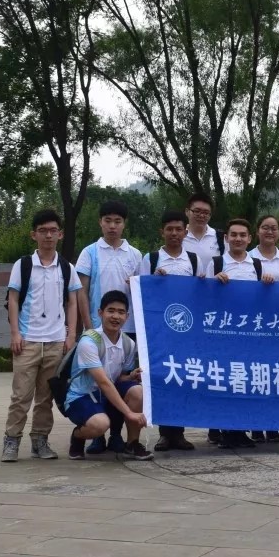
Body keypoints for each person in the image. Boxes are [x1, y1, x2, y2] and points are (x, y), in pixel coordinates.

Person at [2, 209, 82, 462]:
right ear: (33, 235)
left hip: (56, 341)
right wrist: (15, 333)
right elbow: (13, 300)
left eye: (53, 231)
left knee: (45, 397)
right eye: (43, 231)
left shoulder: (66, 268)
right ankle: (11, 440)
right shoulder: (23, 265)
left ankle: (40, 441)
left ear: (60, 234)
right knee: (21, 396)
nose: (48, 235)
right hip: (27, 340)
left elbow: (72, 302)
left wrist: (71, 335)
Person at [75, 200, 144, 455]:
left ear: (124, 224)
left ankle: (116, 435)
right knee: (99, 383)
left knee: (122, 382)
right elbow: (81, 291)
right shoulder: (89, 252)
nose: (112, 226)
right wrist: (89, 326)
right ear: (100, 222)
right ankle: (98, 436)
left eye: (117, 221)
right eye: (108, 221)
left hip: (128, 329)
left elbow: (142, 291)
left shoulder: (135, 254)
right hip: (97, 329)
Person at [206, 219, 276, 449]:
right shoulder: (216, 263)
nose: (238, 239)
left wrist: (267, 284)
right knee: (226, 381)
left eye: (242, 235)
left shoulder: (256, 265)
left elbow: (263, 301)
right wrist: (214, 283)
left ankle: (242, 429)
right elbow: (203, 297)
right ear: (226, 238)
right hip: (223, 334)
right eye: (233, 235)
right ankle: (226, 430)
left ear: (249, 239)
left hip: (249, 336)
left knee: (245, 380)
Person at [63, 291, 152, 461]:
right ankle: (78, 436)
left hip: (106, 395)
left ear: (127, 316)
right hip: (82, 397)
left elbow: (116, 379)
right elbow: (103, 382)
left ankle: (132, 444)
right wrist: (129, 413)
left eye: (121, 312)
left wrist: (131, 377)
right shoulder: (89, 341)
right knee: (100, 424)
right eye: (111, 311)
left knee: (137, 391)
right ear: (100, 313)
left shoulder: (128, 343)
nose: (115, 316)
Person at [142, 210, 197, 452]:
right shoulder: (151, 259)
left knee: (183, 379)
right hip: (160, 332)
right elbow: (142, 291)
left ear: (185, 231)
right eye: (169, 229)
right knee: (163, 379)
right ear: (161, 232)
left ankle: (179, 433)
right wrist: (154, 280)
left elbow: (200, 293)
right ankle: (164, 434)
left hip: (186, 332)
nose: (174, 233)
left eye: (178, 229)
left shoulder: (194, 260)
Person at [247, 214, 279, 444]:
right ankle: (256, 425)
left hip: (278, 327)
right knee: (255, 375)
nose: (269, 232)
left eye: (274, 228)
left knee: (275, 375)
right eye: (265, 227)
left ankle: (273, 424)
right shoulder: (247, 257)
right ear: (257, 231)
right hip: (253, 326)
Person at [182, 192, 224, 445]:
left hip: (215, 313)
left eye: (205, 212)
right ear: (187, 211)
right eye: (196, 211)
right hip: (185, 314)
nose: (201, 215)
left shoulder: (219, 238)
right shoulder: (178, 234)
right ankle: (172, 432)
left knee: (216, 369)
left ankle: (216, 426)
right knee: (183, 368)